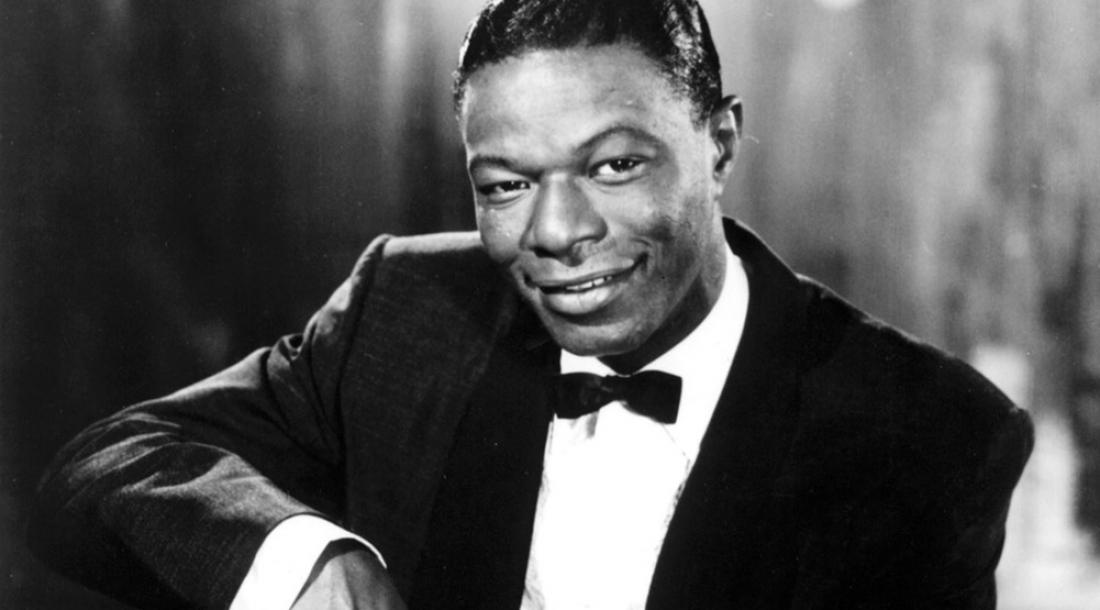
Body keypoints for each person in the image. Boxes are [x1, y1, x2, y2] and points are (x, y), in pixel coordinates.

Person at [28, 0, 1033, 608]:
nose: (553, 231)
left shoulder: (930, 432)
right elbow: (109, 465)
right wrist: (303, 561)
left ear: (719, 144)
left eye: (613, 164)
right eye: (505, 183)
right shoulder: (408, 308)